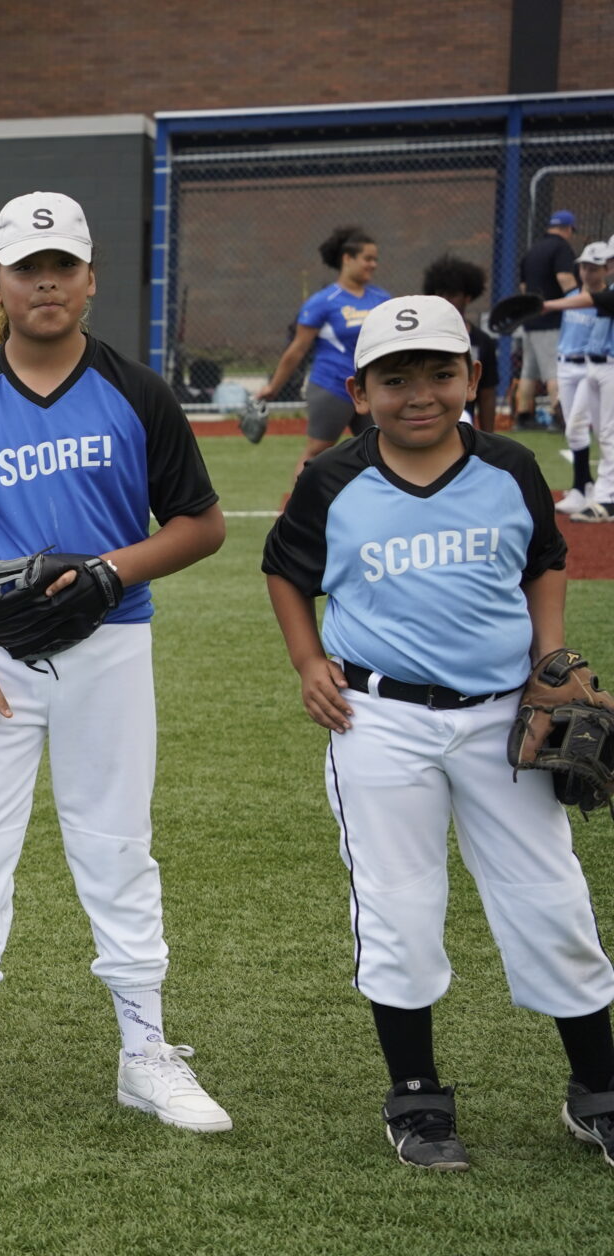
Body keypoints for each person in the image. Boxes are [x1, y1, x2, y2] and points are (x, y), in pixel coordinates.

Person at [0, 191, 230, 1137]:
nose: (46, 283)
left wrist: (114, 569)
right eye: (27, 268)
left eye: (62, 265)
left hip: (111, 647)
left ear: (90, 278)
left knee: (115, 844)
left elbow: (201, 523)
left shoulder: (137, 392)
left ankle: (145, 1049)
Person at [261, 294, 614, 1171]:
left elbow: (544, 561)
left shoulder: (508, 466)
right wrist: (308, 660)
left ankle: (597, 1089)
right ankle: (417, 1097)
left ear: (472, 377)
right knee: (400, 904)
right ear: (360, 387)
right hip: (379, 718)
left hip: (503, 716)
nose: (419, 393)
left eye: (438, 373)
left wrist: (552, 657)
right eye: (396, 377)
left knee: (550, 897)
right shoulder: (334, 478)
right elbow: (285, 569)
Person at [257, 226, 390, 483]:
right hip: (332, 386)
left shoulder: (381, 299)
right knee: (318, 450)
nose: (373, 265)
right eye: (367, 258)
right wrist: (274, 387)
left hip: (372, 388)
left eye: (375, 259)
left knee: (382, 450)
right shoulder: (324, 301)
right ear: (347, 259)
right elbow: (297, 349)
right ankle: (298, 511)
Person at [549, 243, 614, 520]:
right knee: (580, 426)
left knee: (608, 433)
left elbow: (592, 301)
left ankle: (606, 497)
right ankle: (588, 489)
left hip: (609, 366)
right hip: (593, 366)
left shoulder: (604, 295)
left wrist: (544, 305)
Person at [514, 209, 580, 431]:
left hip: (530, 319)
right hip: (550, 319)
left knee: (529, 371)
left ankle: (523, 416)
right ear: (568, 228)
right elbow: (565, 278)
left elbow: (523, 286)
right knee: (555, 369)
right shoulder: (561, 248)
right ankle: (558, 416)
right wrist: (578, 302)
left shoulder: (532, 250)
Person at [420, 254, 498, 433]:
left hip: (462, 423)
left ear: (468, 297)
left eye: (453, 295)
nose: (446, 300)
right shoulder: (420, 337)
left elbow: (487, 394)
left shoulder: (482, 342)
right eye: (441, 294)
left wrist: (488, 438)